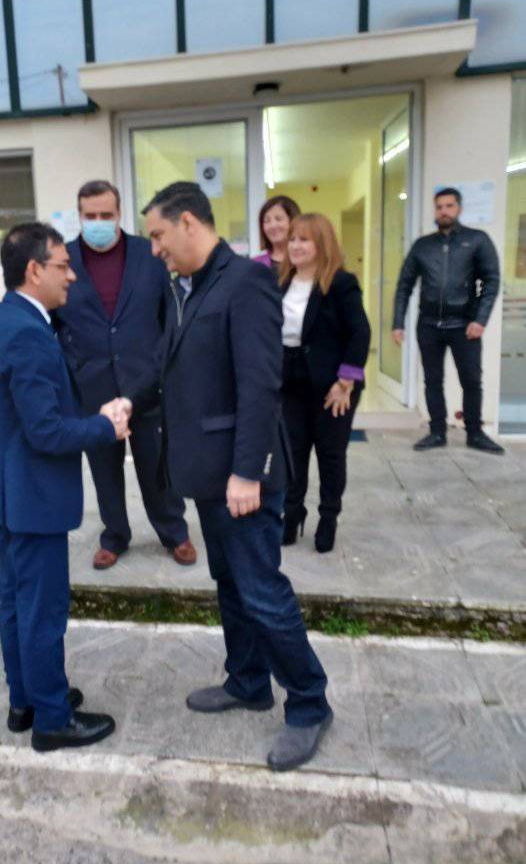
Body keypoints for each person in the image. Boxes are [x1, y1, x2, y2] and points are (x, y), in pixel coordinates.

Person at [118, 181, 333, 772]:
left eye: (158, 235)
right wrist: (130, 402)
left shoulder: (246, 282)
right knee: (232, 583)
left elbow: (260, 386)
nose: (154, 248)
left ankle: (310, 702)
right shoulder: (188, 287)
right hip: (209, 476)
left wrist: (247, 473)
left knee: (261, 589)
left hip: (241, 480)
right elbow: (166, 365)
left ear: (189, 222)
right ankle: (248, 680)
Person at [0, 222, 122, 752]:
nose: (72, 275)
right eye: (63, 266)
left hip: (8, 493)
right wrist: (105, 426)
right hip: (30, 495)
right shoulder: (27, 333)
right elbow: (47, 432)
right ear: (34, 270)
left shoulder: (7, 320)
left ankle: (27, 700)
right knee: (42, 611)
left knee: (17, 603)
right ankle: (52, 719)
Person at [55, 179, 195, 571]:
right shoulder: (63, 260)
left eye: (106, 214)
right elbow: (53, 321)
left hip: (146, 384)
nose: (98, 222)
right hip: (92, 387)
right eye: (91, 215)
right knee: (104, 469)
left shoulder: (149, 255)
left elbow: (169, 318)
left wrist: (163, 369)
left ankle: (174, 531)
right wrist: (72, 368)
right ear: (79, 216)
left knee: (157, 465)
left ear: (119, 214)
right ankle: (115, 535)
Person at [278, 213, 371, 554]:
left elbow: (360, 333)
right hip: (290, 382)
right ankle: (291, 514)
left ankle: (328, 518)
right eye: (292, 239)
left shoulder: (340, 283)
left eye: (304, 239)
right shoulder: (281, 282)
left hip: (333, 385)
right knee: (293, 452)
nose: (295, 246)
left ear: (321, 243)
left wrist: (345, 381)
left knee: (330, 454)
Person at [392, 187, 503, 453]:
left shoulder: (477, 240)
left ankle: (475, 433)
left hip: (465, 325)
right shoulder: (422, 246)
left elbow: (491, 281)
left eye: (449, 206)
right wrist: (398, 323)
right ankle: (437, 432)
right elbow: (404, 285)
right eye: (439, 206)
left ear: (459, 208)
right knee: (432, 381)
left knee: (471, 381)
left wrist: (480, 319)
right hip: (428, 325)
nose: (443, 211)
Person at [252, 195, 301, 275]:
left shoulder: (308, 261)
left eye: (278, 219)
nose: (273, 226)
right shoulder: (255, 265)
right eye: (267, 221)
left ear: (293, 221)